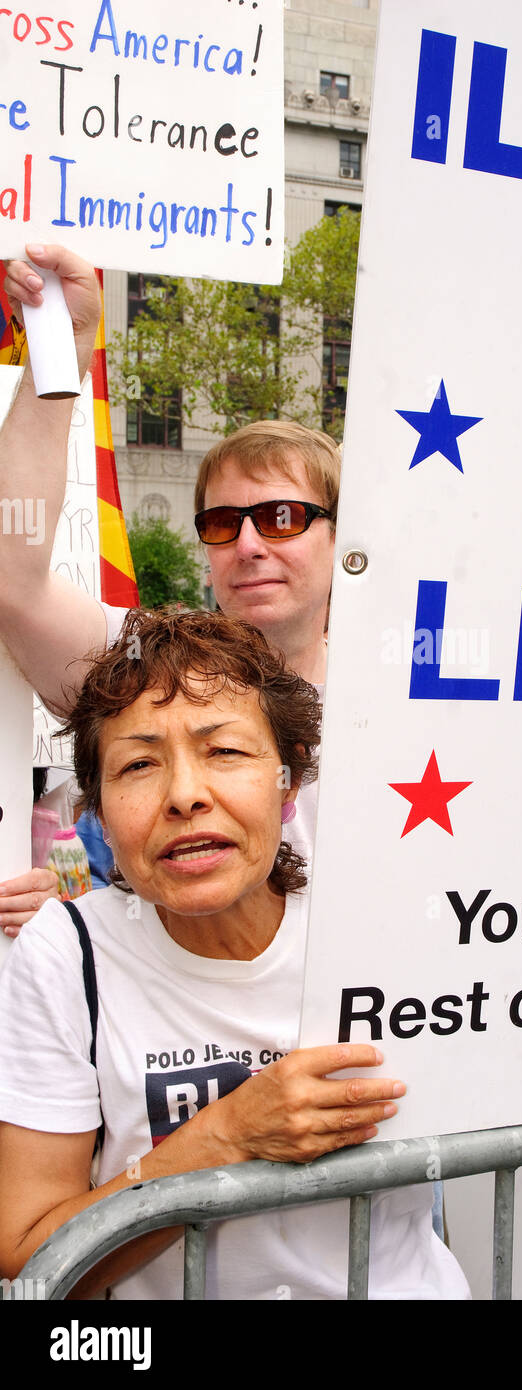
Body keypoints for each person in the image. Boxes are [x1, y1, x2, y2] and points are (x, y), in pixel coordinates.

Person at [0, 608, 468, 1299]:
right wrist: (224, 1137)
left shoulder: (388, 926)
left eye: (225, 752)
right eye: (138, 764)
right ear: (96, 812)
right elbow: (28, 1252)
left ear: (290, 783)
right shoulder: (65, 956)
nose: (186, 795)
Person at [0, 245, 337, 931]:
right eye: (221, 523)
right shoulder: (139, 670)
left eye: (281, 518)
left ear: (343, 536)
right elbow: (12, 576)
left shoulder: (419, 692)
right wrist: (60, 354)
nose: (248, 545)